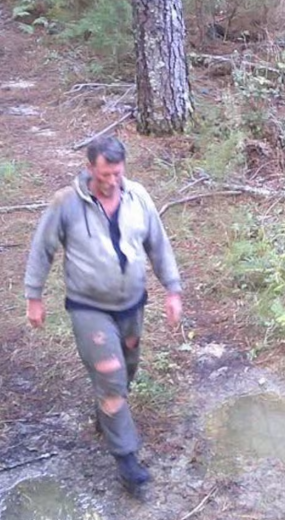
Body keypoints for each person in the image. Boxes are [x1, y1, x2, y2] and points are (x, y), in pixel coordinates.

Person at [23, 136, 183, 494]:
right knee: (110, 376)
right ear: (89, 168)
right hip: (89, 307)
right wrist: (34, 296)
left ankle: (107, 411)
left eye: (117, 174)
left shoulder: (138, 197)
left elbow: (158, 244)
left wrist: (173, 290)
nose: (111, 181)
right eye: (104, 175)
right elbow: (42, 248)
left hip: (132, 305)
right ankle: (127, 461)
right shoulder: (66, 203)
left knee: (126, 370)